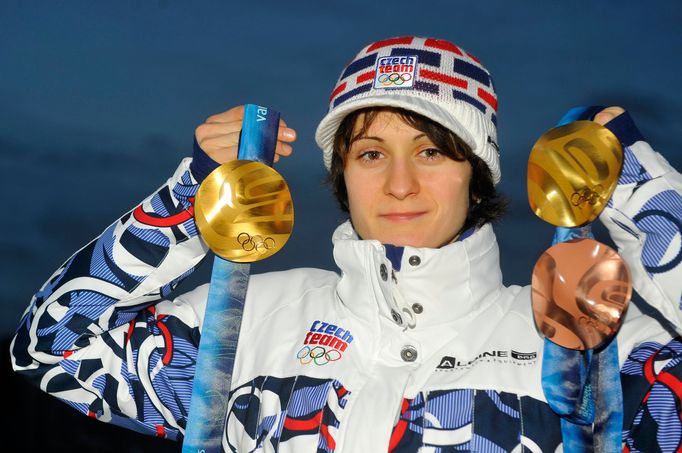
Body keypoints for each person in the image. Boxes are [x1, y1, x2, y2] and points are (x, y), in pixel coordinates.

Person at [10, 36, 682, 452]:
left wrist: (648, 198)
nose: (399, 183)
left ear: (478, 173)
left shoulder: (569, 331)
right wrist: (192, 199)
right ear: (342, 174)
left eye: (431, 151)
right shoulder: (250, 317)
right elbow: (56, 344)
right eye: (369, 154)